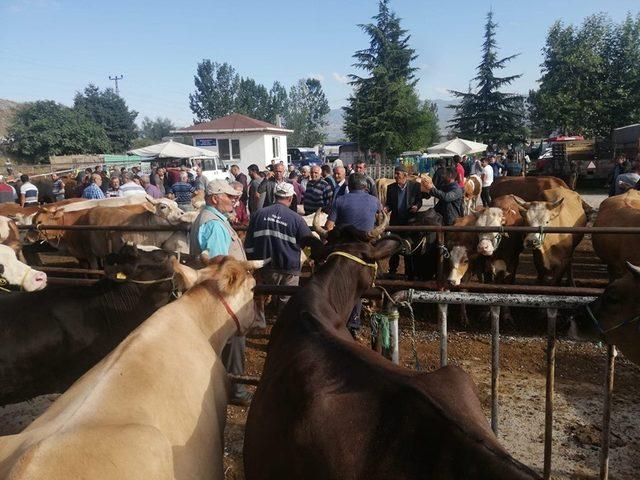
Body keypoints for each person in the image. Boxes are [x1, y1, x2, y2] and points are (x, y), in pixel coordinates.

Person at [189, 179, 250, 406]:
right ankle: (236, 388)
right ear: (215, 198)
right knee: (234, 338)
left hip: (211, 293)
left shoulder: (208, 217)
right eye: (229, 196)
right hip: (222, 295)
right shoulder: (214, 224)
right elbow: (219, 267)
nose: (234, 199)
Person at [245, 182, 313, 317]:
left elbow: (249, 245)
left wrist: (253, 264)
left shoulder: (258, 214)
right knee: (287, 299)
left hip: (266, 267)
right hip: (289, 268)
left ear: (275, 196)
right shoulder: (296, 219)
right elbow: (308, 242)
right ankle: (283, 324)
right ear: (290, 198)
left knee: (271, 291)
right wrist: (309, 258)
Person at [326, 172, 381, 337]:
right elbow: (382, 221)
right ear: (366, 186)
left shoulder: (340, 200)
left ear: (348, 186)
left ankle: (336, 319)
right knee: (359, 287)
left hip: (343, 250)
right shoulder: (374, 201)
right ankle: (354, 324)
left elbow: (329, 226)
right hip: (365, 251)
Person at [385, 165, 421, 278]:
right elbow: (389, 204)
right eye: (395, 174)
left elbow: (419, 201)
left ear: (405, 175)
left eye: (398, 174)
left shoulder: (415, 186)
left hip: (409, 222)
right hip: (395, 222)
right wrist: (385, 208)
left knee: (408, 248)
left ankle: (409, 273)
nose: (395, 176)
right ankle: (392, 271)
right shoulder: (391, 188)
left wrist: (416, 206)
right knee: (393, 247)